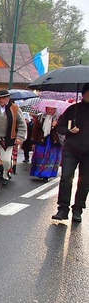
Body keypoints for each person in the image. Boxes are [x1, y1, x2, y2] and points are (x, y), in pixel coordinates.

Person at [52, 83, 89, 223]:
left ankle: (78, 210)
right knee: (66, 178)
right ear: (83, 94)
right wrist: (69, 131)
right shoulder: (72, 109)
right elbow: (59, 127)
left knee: (85, 182)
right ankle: (63, 209)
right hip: (71, 149)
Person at [0, 90, 27, 188]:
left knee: (6, 160)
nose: (1, 100)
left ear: (8, 98)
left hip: (7, 139)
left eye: (4, 98)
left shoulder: (15, 109)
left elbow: (22, 124)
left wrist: (20, 137)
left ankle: (5, 172)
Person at [29, 107, 62, 182]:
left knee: (51, 158)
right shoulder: (40, 117)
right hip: (41, 140)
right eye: (48, 109)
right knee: (40, 156)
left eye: (52, 109)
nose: (50, 111)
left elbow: (62, 130)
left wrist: (55, 125)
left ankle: (46, 175)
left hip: (53, 141)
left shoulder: (59, 118)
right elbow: (35, 129)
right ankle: (39, 173)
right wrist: (33, 142)